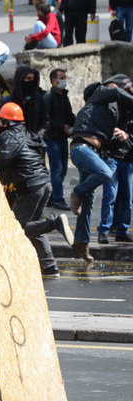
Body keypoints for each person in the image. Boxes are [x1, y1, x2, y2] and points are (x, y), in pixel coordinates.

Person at [0, 102, 74, 277]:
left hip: (30, 187)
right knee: (34, 227)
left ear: (5, 123)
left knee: (16, 228)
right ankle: (50, 267)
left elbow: (0, 160)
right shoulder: (29, 135)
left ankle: (54, 222)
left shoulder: (9, 137)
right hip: (44, 183)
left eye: (0, 122)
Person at [68, 77, 133, 262]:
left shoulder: (106, 112)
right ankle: (77, 191)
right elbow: (118, 93)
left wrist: (125, 135)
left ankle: (81, 242)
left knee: (88, 202)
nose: (115, 90)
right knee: (105, 172)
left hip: (92, 152)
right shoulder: (98, 94)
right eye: (112, 87)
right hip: (81, 149)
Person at [43, 68, 75, 210]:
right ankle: (57, 198)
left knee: (63, 169)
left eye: (64, 77)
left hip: (62, 137)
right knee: (57, 168)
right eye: (60, 77)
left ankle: (53, 196)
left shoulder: (64, 96)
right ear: (53, 80)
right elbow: (46, 120)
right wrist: (62, 127)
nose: (63, 80)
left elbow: (69, 115)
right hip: (52, 137)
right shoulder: (49, 97)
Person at [5, 66, 49, 138]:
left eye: (33, 79)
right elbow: (3, 124)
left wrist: (37, 136)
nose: (31, 82)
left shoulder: (37, 98)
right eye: (28, 79)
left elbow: (45, 121)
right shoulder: (9, 101)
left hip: (34, 143)